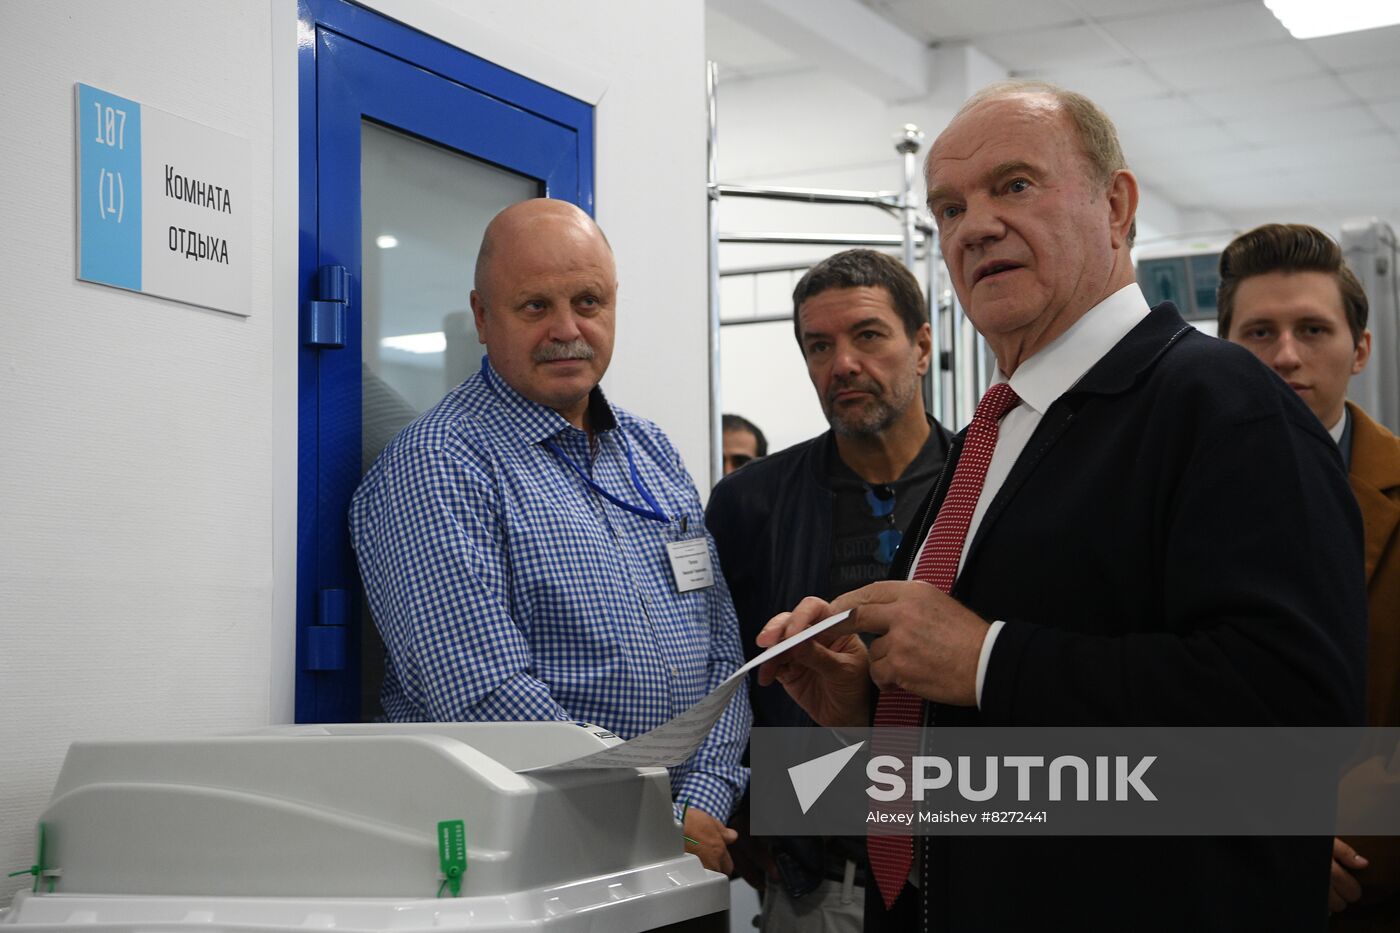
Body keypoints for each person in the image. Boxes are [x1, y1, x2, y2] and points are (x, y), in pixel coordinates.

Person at [756, 81, 1367, 931]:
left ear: (1116, 206)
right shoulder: (997, 431)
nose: (975, 226)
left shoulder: (1226, 406)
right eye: (950, 207)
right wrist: (878, 705)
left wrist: (987, 658)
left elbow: (1288, 724)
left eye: (1014, 185)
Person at [349, 198, 750, 874]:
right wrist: (660, 819)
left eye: (588, 301)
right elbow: (485, 698)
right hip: (535, 859)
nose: (567, 328)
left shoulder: (649, 449)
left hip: (679, 853)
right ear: (481, 316)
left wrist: (704, 798)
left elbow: (722, 647)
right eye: (535, 306)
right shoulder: (439, 467)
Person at [707, 249, 951, 930]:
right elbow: (724, 678)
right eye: (819, 345)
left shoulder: (984, 489)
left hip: (965, 858)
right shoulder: (749, 505)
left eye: (868, 335)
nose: (842, 362)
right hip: (820, 881)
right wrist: (754, 818)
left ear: (922, 345)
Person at [1219, 222, 1400, 931]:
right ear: (1223, 353)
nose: (1286, 356)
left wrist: (1311, 842)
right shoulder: (1164, 503)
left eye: (1313, 330)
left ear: (1359, 349)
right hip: (1208, 885)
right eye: (1259, 333)